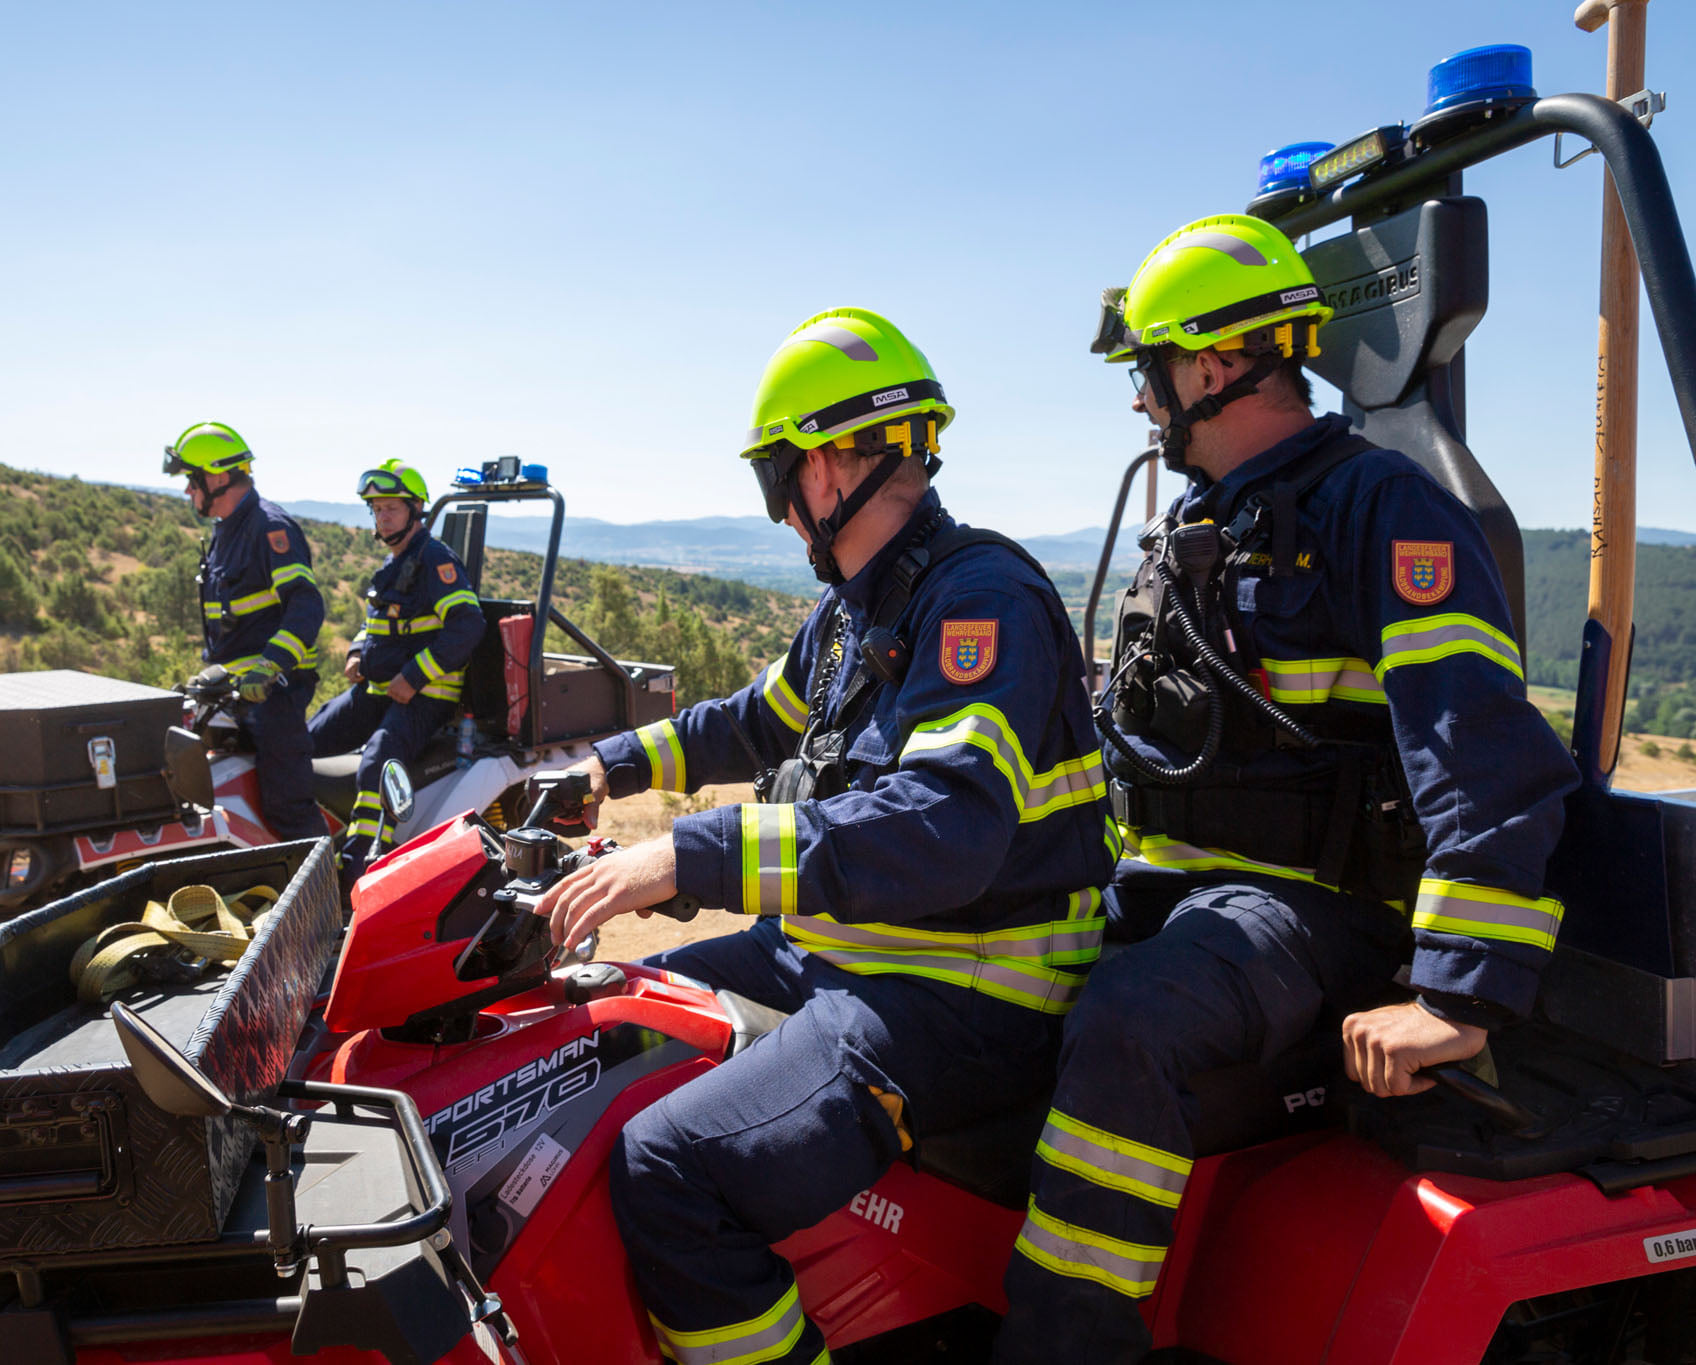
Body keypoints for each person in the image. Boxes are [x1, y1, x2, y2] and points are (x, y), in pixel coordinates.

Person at [993, 215, 1579, 1364]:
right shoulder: (1196, 524)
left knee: (1127, 1020)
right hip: (1172, 888)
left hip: (1314, 914)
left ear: (1210, 366)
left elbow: (1482, 755)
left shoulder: (1382, 511)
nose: (1137, 403)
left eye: (1146, 371)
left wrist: (1454, 997)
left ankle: (1067, 1343)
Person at [538, 309, 1119, 1365]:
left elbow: (943, 830)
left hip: (964, 993)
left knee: (668, 1164)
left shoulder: (977, 599)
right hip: (837, 954)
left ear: (826, 464)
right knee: (599, 1028)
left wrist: (684, 854)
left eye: (778, 473)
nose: (778, 506)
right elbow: (751, 720)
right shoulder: (862, 607)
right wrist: (604, 769)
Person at [306, 458, 483, 859]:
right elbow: (377, 624)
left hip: (424, 698)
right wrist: (356, 651)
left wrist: (414, 676)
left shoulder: (435, 560)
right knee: (304, 742)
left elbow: (467, 625)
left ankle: (359, 865)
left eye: (391, 508)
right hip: (379, 690)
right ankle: (310, 849)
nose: (382, 517)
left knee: (376, 766)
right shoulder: (395, 562)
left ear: (415, 510)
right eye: (377, 509)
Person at [164, 421, 326, 842]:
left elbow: (305, 604)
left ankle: (326, 898)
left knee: (286, 808)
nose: (188, 492)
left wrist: (271, 665)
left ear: (217, 477)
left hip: (276, 695)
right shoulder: (226, 532)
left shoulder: (270, 527)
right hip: (235, 694)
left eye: (191, 480)